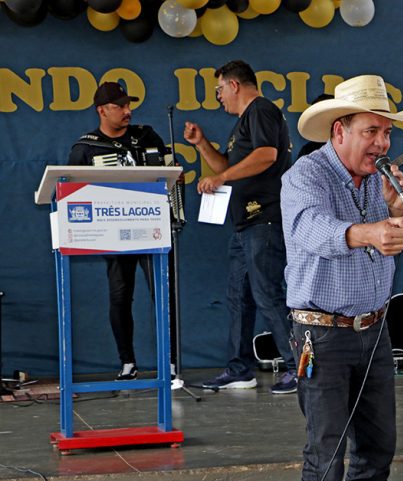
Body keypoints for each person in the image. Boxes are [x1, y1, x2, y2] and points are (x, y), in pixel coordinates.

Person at [280, 74, 403, 481]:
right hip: (321, 335)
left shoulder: (380, 178)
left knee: (377, 451)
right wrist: (367, 232)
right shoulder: (305, 176)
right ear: (339, 131)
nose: (382, 143)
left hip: (374, 331)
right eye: (372, 132)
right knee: (326, 458)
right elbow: (311, 230)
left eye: (387, 133)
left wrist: (398, 213)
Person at [183, 60, 297, 394]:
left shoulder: (261, 110)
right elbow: (228, 165)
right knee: (239, 298)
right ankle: (239, 369)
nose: (218, 96)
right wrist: (201, 144)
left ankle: (299, 368)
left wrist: (220, 178)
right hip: (244, 223)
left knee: (267, 293)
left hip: (265, 218)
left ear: (234, 85)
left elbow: (265, 155)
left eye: (219, 89)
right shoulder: (243, 123)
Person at [68, 81, 177, 381]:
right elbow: (72, 193)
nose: (127, 111)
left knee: (164, 295)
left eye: (129, 105)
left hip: (152, 227)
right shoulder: (86, 147)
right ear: (101, 110)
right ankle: (127, 362)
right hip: (114, 233)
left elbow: (169, 171)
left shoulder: (146, 136)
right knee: (119, 296)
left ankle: (170, 362)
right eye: (120, 106)